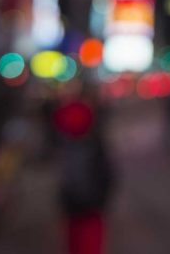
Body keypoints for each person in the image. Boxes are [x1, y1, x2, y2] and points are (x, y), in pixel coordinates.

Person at [53, 94, 113, 254]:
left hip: (89, 210)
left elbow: (107, 177)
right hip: (75, 210)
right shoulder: (69, 146)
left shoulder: (92, 147)